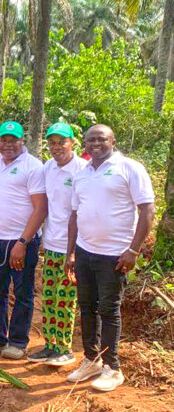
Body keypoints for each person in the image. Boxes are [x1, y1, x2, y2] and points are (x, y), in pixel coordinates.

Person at [65, 124, 155, 392]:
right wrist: (71, 252)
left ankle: (112, 368)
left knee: (109, 309)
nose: (95, 144)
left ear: (113, 141)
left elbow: (147, 210)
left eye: (101, 139)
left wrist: (134, 250)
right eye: (90, 139)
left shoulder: (130, 168)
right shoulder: (82, 173)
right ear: (84, 143)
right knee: (86, 306)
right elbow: (74, 215)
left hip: (114, 256)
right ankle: (92, 360)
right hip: (84, 251)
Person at [0, 121, 47, 359]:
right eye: (3, 140)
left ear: (21, 141)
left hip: (21, 242)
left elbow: (40, 208)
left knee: (23, 292)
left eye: (12, 140)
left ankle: (17, 341)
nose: (8, 145)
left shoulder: (33, 167)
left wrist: (23, 243)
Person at [27, 123, 86, 366]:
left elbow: (82, 210)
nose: (56, 147)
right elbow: (45, 206)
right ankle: (50, 345)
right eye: (52, 142)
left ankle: (64, 349)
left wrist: (73, 250)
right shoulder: (47, 168)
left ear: (72, 142)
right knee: (49, 296)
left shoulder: (82, 169)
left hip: (73, 246)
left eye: (61, 141)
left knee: (66, 298)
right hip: (51, 243)